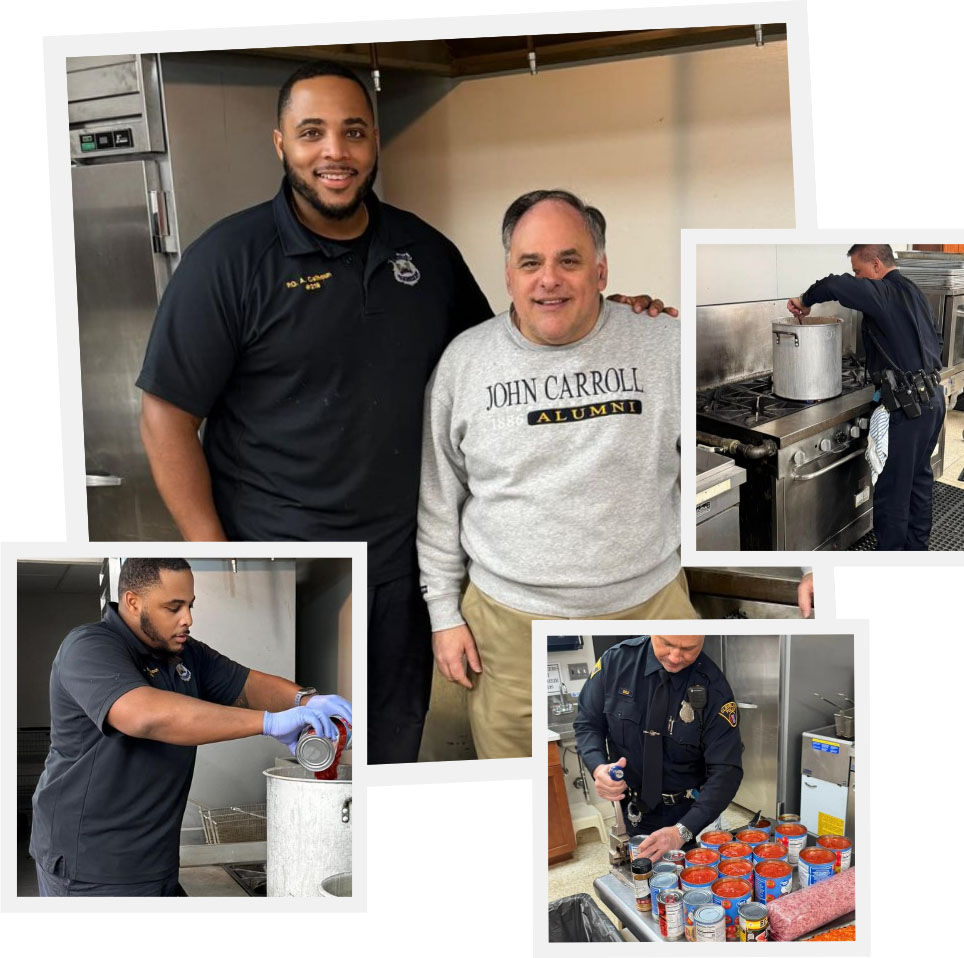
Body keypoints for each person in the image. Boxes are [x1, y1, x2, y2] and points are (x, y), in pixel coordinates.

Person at [136, 62, 672, 765]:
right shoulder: (228, 262)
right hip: (282, 549)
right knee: (290, 736)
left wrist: (609, 312)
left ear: (374, 143)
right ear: (280, 144)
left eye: (353, 132)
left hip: (399, 558)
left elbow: (505, 353)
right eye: (312, 133)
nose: (335, 151)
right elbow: (166, 415)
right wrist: (213, 553)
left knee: (387, 737)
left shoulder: (424, 253)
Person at [417, 189, 692, 761]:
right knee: (526, 798)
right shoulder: (464, 363)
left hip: (651, 606)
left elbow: (718, 459)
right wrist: (444, 615)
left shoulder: (666, 344)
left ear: (600, 270)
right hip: (508, 627)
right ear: (509, 276)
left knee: (669, 766)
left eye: (569, 260)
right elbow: (439, 501)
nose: (550, 279)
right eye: (530, 263)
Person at [29, 558, 352, 897]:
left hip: (156, 857)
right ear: (132, 601)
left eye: (190, 605)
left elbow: (246, 684)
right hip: (90, 862)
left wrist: (305, 700)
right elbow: (143, 714)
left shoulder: (184, 653)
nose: (188, 619)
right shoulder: (89, 646)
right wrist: (269, 723)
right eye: (173, 607)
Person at [786, 244, 946, 550]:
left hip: (908, 409)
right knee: (918, 483)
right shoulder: (914, 291)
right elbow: (935, 340)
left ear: (875, 264)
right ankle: (916, 552)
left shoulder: (883, 292)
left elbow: (834, 284)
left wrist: (804, 300)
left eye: (859, 271)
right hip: (932, 399)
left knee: (892, 495)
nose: (858, 277)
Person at [573, 634, 743, 864]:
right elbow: (588, 724)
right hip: (633, 808)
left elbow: (726, 770)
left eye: (688, 648)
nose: (674, 657)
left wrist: (682, 831)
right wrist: (598, 767)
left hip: (689, 815)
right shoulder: (616, 662)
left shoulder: (714, 688)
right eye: (667, 644)